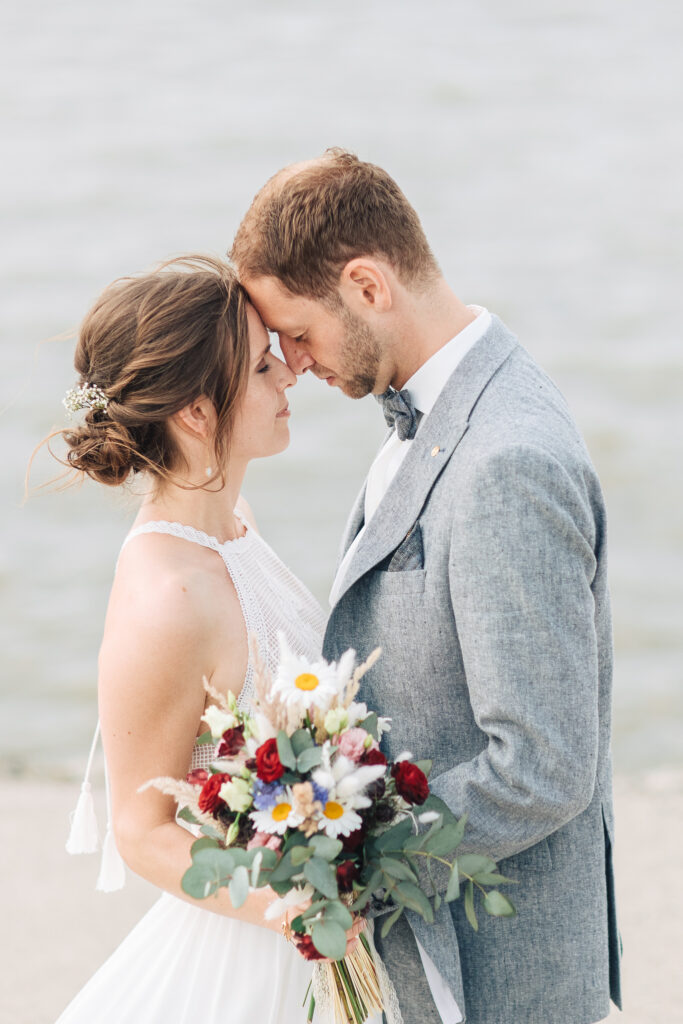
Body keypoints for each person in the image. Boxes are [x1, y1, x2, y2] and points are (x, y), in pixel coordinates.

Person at [231, 150, 622, 1024]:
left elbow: (544, 767)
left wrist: (347, 855)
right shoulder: (443, 409)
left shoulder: (503, 462)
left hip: (501, 978)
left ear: (367, 286)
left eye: (295, 331)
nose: (289, 363)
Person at [47, 255, 340, 1023]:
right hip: (252, 953)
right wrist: (300, 908)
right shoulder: (168, 597)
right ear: (196, 413)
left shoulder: (235, 531)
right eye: (261, 364)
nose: (289, 375)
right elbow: (142, 832)